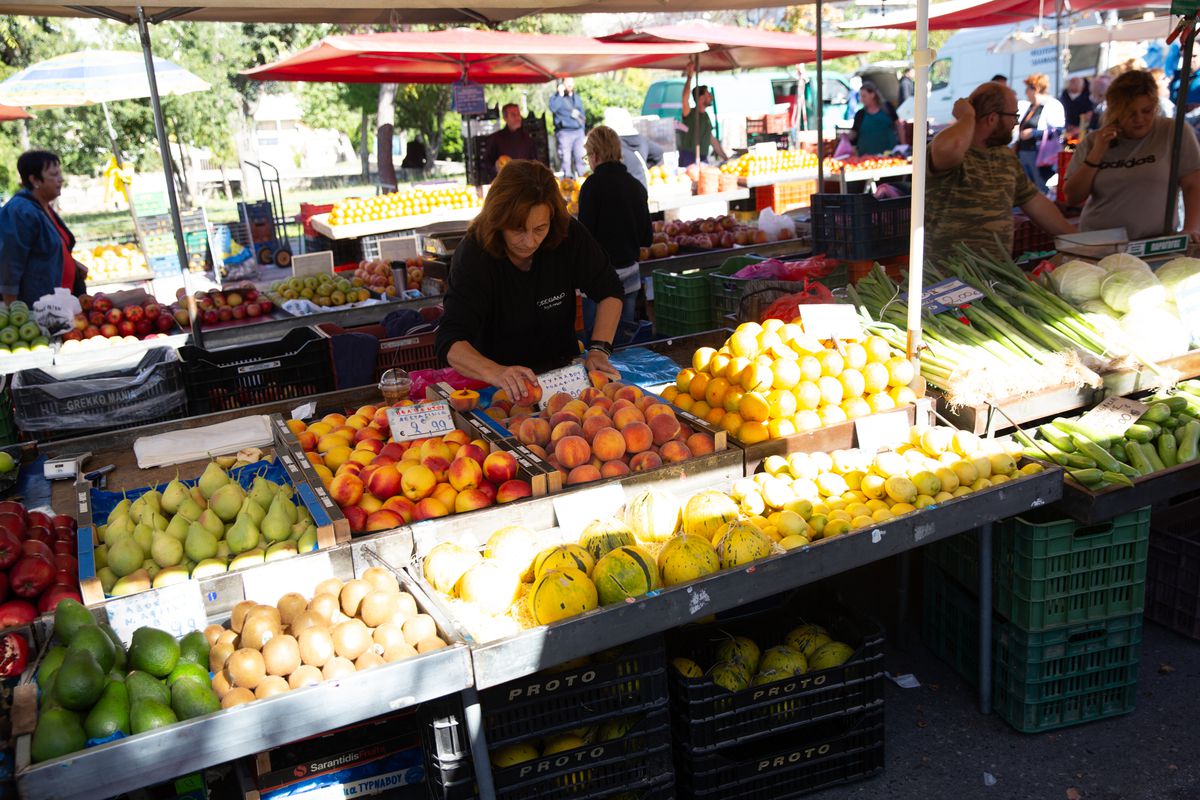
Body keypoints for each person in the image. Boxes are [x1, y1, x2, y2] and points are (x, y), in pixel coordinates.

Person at [436, 160, 623, 398]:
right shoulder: (475, 253)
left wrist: (599, 349)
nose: (530, 241)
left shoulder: (566, 233)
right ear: (498, 221)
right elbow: (449, 340)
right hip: (498, 389)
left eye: (539, 229)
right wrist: (497, 373)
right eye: (518, 229)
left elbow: (609, 289)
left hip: (563, 379)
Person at [926, 81, 1075, 263]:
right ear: (992, 119)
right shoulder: (952, 151)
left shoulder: (1005, 155)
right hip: (947, 280)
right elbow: (950, 147)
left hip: (995, 277)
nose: (1017, 121)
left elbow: (1035, 202)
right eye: (1014, 115)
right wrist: (967, 116)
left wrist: (1077, 238)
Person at [1063, 69, 1200, 242]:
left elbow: (1193, 184)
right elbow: (1072, 197)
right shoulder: (1094, 140)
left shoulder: (1173, 131)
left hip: (1154, 242)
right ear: (1115, 111)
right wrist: (1097, 153)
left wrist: (1191, 228)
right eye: (1130, 113)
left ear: (1156, 106)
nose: (1139, 119)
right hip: (1099, 242)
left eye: (1146, 111)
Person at [578, 125, 651, 333]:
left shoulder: (591, 187)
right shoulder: (635, 186)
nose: (589, 161)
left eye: (588, 156)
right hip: (629, 277)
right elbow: (647, 237)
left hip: (598, 282)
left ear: (596, 154)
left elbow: (585, 239)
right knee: (624, 344)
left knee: (597, 346)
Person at [0, 150, 86, 305]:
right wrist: (12, 307)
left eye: (60, 173)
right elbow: (10, 262)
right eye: (54, 175)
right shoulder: (21, 211)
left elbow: (45, 250)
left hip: (62, 302)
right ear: (34, 180)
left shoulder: (43, 206)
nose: (60, 179)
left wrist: (73, 264)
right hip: (39, 308)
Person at [1015, 73, 1066, 194]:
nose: (1026, 92)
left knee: (1042, 189)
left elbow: (1058, 130)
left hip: (1042, 156)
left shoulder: (1052, 105)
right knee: (1026, 190)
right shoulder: (1029, 107)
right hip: (1024, 153)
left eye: (1027, 88)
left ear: (1036, 88)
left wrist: (1033, 133)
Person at [680, 63, 728, 167]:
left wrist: (725, 157)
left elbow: (711, 139)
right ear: (701, 98)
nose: (711, 97)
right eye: (708, 94)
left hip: (703, 158)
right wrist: (689, 77)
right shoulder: (690, 113)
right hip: (689, 157)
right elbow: (684, 99)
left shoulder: (706, 116)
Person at [602, 107, 663, 188]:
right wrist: (640, 167)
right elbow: (658, 152)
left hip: (620, 191)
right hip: (641, 189)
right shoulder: (642, 140)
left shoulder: (612, 145)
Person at [482, 103, 538, 183]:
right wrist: (496, 168)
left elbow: (535, 162)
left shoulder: (527, 139)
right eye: (513, 115)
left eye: (518, 114)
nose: (517, 117)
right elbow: (487, 162)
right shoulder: (496, 138)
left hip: (525, 182)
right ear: (505, 118)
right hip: (505, 183)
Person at [849, 81, 906, 155]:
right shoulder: (860, 114)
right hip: (865, 156)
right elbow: (854, 132)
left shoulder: (887, 108)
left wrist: (903, 144)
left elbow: (898, 126)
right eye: (860, 96)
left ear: (872, 95)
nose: (861, 99)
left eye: (864, 96)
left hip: (888, 153)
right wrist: (846, 137)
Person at [549, 77, 586, 180]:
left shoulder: (576, 97)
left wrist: (582, 130)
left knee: (581, 158)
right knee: (565, 160)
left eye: (571, 82)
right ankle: (568, 182)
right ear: (562, 83)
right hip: (564, 132)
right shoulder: (556, 98)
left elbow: (582, 115)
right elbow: (553, 108)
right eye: (567, 82)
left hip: (578, 131)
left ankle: (583, 180)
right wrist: (560, 94)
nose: (569, 84)